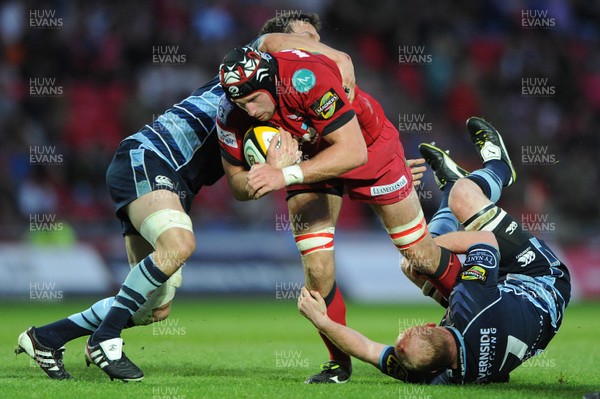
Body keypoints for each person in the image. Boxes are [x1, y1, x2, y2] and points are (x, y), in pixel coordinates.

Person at [15, 13, 356, 382]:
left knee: (153, 307)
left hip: (174, 182)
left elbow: (241, 191)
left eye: (319, 41)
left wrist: (274, 174)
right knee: (180, 243)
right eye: (308, 39)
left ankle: (46, 337)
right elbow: (272, 40)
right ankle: (106, 338)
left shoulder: (272, 110)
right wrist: (341, 57)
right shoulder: (250, 69)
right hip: (150, 156)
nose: (314, 48)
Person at [216, 46, 462, 383]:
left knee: (419, 255)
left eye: (253, 100)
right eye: (241, 104)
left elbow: (353, 151)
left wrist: (284, 176)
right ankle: (338, 365)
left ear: (270, 83)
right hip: (307, 165)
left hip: (369, 148)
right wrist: (261, 176)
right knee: (317, 270)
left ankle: (474, 319)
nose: (249, 110)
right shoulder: (230, 113)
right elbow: (237, 185)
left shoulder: (306, 80)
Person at [297, 117, 571, 384]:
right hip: (540, 281)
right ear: (431, 326)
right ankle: (499, 167)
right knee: (462, 198)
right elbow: (486, 241)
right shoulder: (471, 305)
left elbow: (367, 350)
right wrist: (423, 245)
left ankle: (449, 184)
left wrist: (325, 322)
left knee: (413, 267)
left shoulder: (430, 373)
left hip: (517, 316)